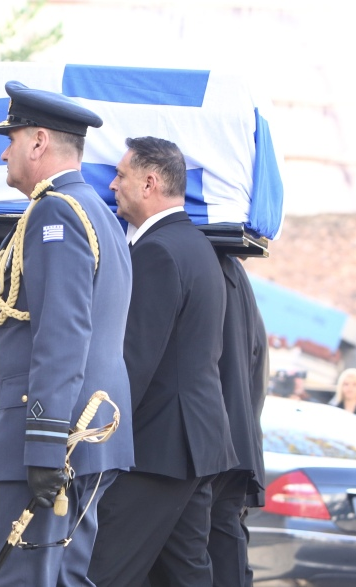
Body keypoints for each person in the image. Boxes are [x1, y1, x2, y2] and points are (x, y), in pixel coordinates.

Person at [0, 81, 133, 587]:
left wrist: (43, 442)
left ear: (38, 141)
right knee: (63, 579)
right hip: (85, 431)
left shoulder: (56, 210)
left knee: (20, 579)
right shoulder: (96, 210)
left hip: (55, 439)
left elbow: (63, 334)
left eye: (11, 139)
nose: (4, 152)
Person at [89, 137, 236, 587]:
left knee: (103, 571)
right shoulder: (197, 246)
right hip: (194, 443)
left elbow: (133, 361)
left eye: (121, 175)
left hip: (158, 448)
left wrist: (94, 436)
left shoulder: (156, 251)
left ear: (149, 183)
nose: (112, 184)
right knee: (184, 573)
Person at [205, 253, 268, 587]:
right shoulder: (237, 278)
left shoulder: (217, 272)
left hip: (217, 444)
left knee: (217, 547)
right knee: (227, 547)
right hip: (237, 441)